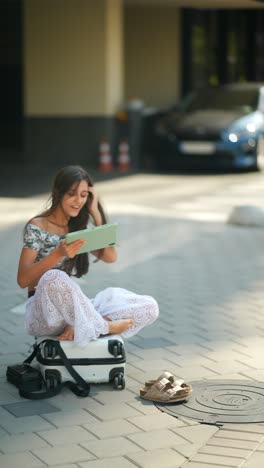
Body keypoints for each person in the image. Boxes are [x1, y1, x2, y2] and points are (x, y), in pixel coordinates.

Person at [17, 165, 159, 347]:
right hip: (43, 314)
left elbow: (110, 256)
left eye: (84, 195)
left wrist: (96, 213)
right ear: (58, 192)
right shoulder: (37, 226)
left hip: (72, 311)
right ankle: (103, 325)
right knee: (53, 276)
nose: (78, 201)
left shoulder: (78, 229)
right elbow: (22, 280)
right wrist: (57, 254)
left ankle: (81, 325)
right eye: (72, 194)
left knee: (149, 306)